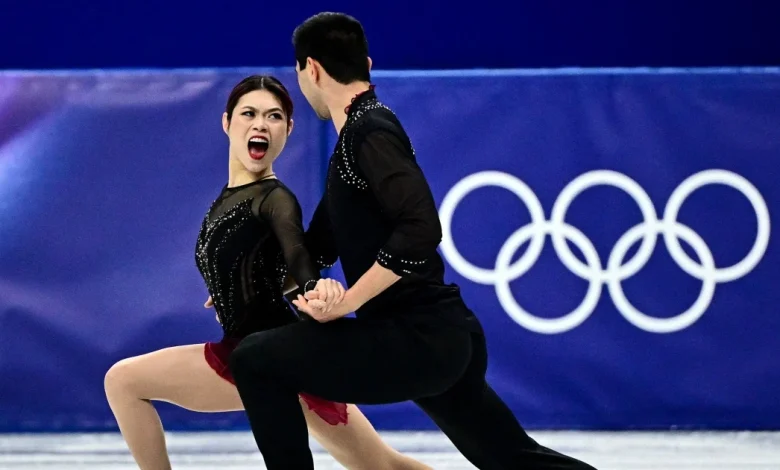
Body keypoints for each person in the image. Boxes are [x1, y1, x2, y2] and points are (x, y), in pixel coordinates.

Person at [228, 12, 597, 470]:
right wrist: (243, 274)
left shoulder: (370, 130)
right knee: (513, 458)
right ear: (366, 62)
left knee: (257, 360)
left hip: (418, 338)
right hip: (437, 337)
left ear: (312, 69)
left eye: (299, 73)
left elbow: (421, 228)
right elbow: (318, 246)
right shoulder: (352, 139)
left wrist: (348, 302)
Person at [103, 74, 432, 470]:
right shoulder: (229, 197)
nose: (261, 124)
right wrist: (234, 282)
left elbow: (298, 255)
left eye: (274, 116)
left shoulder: (275, 200)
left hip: (270, 356)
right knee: (382, 466)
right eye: (250, 113)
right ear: (228, 123)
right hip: (254, 354)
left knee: (123, 380)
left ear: (288, 129)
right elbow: (262, 261)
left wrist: (316, 287)